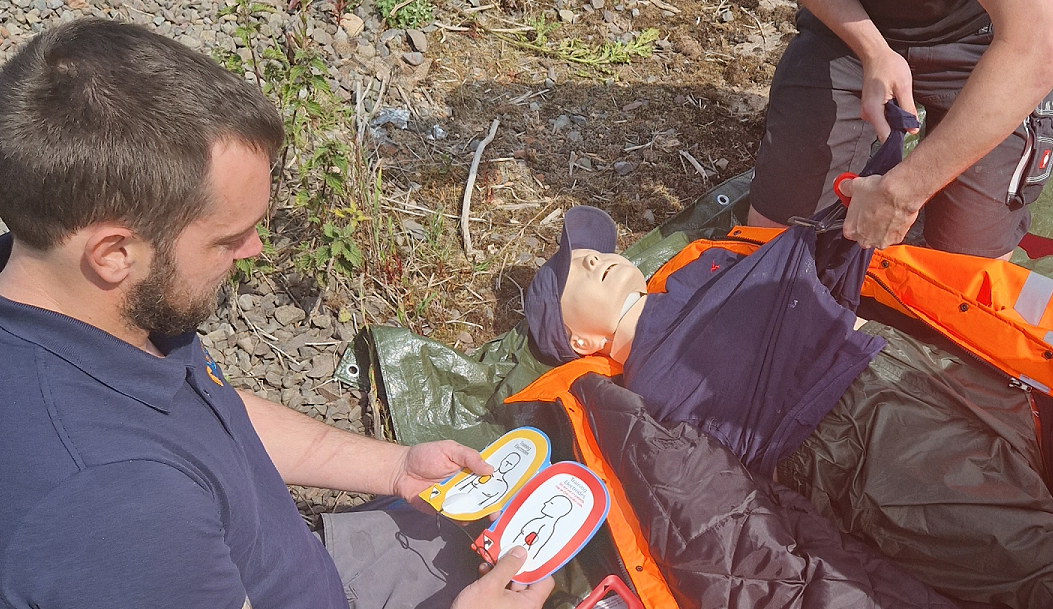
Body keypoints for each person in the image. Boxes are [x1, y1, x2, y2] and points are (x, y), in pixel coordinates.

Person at [0, 19, 553, 609]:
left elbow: (208, 419)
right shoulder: (122, 508)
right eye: (227, 238)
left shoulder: (75, 299)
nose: (255, 250)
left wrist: (394, 469)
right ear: (113, 254)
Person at [523, 205, 1053, 608]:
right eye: (576, 270)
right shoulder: (636, 398)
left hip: (905, 362)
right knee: (1023, 551)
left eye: (595, 252)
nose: (596, 258)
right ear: (578, 343)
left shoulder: (707, 265)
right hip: (857, 444)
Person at [748, 0, 1053, 259]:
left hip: (991, 42)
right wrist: (872, 51)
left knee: (967, 270)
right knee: (774, 244)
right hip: (849, 26)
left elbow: (1036, 45)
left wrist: (908, 190)